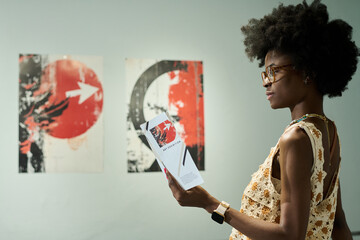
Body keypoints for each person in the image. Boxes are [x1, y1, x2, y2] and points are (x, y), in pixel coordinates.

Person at [165, 0, 359, 239]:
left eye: (274, 71)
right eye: (265, 73)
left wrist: (210, 203)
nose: (266, 81)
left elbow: (290, 235)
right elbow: (338, 226)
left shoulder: (295, 138)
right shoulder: (329, 132)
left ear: (308, 72)